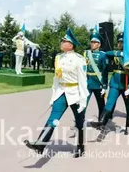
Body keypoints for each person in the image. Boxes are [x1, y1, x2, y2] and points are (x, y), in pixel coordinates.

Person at [24, 28, 89, 158]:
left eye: (64, 41)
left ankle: (80, 146)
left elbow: (83, 81)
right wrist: (53, 96)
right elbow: (56, 79)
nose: (61, 42)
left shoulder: (79, 59)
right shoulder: (58, 57)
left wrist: (83, 101)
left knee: (80, 122)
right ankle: (40, 144)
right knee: (53, 119)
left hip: (75, 93)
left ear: (70, 45)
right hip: (62, 92)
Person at [83, 28, 109, 121]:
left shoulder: (103, 55)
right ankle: (80, 122)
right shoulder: (86, 53)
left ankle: (101, 121)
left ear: (99, 44)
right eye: (92, 42)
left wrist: (105, 86)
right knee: (83, 103)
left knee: (101, 104)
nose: (92, 44)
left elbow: (105, 72)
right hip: (88, 83)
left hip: (98, 83)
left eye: (95, 42)